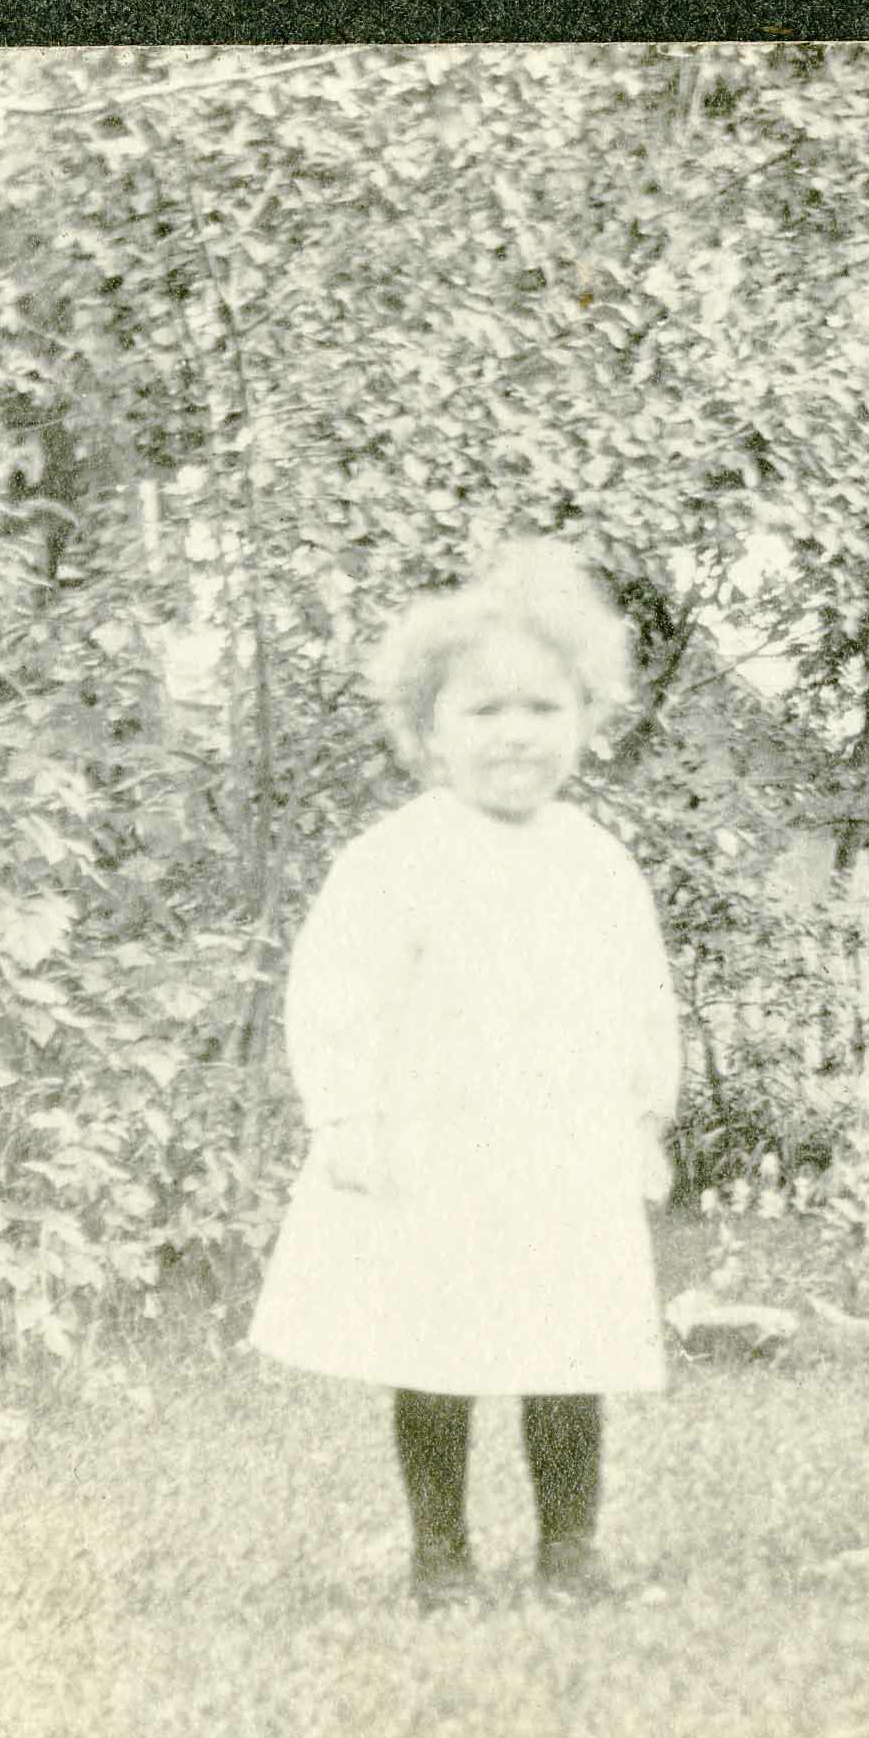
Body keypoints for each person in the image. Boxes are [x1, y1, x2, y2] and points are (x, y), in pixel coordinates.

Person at [247, 540, 681, 1610]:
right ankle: (439, 1551)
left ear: (586, 718)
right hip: (436, 1146)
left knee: (567, 1345)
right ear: (428, 728)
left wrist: (644, 1119)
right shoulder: (396, 857)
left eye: (542, 708)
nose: (515, 734)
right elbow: (333, 992)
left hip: (565, 1147)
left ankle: (568, 1550)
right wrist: (342, 1114)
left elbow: (640, 997)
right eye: (483, 711)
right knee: (433, 1342)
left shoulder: (596, 860)